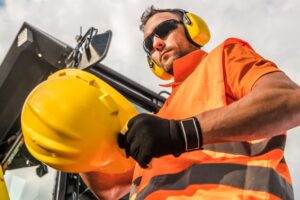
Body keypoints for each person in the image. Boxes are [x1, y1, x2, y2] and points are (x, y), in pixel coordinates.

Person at [81, 6, 300, 200]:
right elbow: (111, 190)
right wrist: (79, 144)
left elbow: (289, 100)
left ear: (191, 26)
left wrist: (182, 133)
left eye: (165, 29)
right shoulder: (161, 117)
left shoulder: (224, 57)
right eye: (148, 43)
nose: (157, 44)